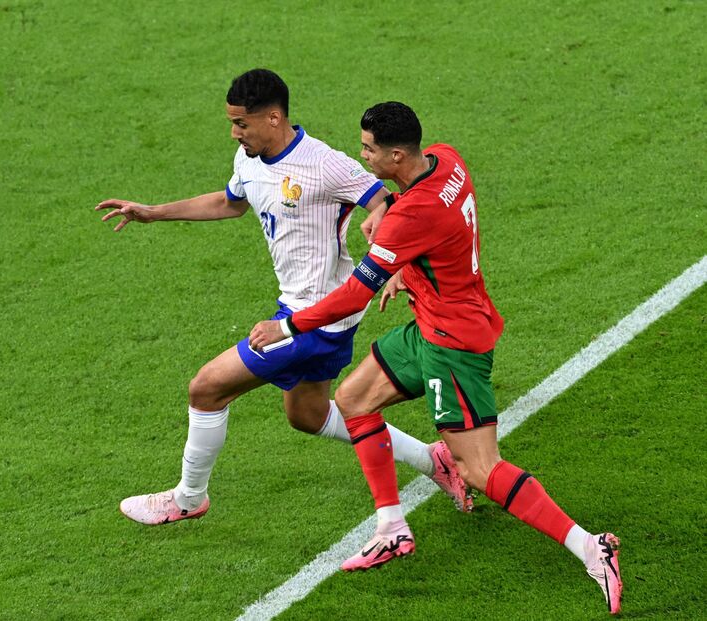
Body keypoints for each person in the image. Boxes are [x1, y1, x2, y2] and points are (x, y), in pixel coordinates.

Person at [248, 101, 622, 614]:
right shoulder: (448, 159)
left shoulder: (409, 216)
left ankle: (589, 545)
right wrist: (404, 265)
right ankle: (392, 527)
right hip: (434, 319)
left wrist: (288, 324)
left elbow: (355, 294)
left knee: (480, 469)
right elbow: (437, 233)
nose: (363, 157)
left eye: (367, 150)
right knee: (354, 399)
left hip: (453, 343)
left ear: (396, 154)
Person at [96, 70, 472, 527]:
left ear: (273, 118)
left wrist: (392, 265)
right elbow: (231, 202)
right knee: (308, 416)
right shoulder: (248, 158)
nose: (235, 133)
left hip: (318, 317)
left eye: (241, 123)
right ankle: (436, 462)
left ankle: (188, 498)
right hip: (301, 310)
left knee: (206, 388)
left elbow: (385, 202)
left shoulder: (325, 164)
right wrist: (154, 213)